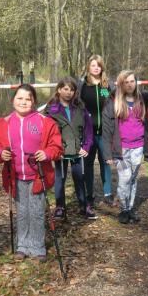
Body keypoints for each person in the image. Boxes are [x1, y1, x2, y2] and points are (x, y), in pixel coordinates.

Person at [0, 84, 63, 261]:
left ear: (34, 101)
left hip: (38, 176)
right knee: (22, 212)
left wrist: (46, 153)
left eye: (28, 99)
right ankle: (22, 245)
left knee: (37, 212)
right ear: (13, 100)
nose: (23, 102)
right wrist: (1, 154)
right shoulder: (4, 123)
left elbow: (56, 147)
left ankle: (38, 247)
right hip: (15, 177)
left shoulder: (45, 122)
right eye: (19, 98)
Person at [102, 70, 148, 224]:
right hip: (121, 148)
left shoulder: (142, 100)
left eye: (132, 81)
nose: (130, 84)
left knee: (133, 179)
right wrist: (108, 154)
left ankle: (130, 208)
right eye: (127, 82)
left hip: (138, 146)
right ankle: (123, 209)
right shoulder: (113, 101)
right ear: (121, 83)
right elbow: (106, 129)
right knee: (124, 179)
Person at [45, 77, 95, 220]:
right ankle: (60, 207)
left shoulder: (80, 108)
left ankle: (84, 205)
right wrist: (53, 149)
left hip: (77, 151)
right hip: (60, 152)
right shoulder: (51, 109)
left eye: (71, 90)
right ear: (59, 90)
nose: (68, 92)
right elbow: (46, 133)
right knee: (60, 178)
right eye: (65, 89)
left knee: (79, 177)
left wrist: (86, 146)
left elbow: (89, 130)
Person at [77, 55, 116, 206]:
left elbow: (113, 105)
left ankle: (107, 194)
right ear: (89, 67)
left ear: (102, 67)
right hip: (88, 133)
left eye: (98, 65)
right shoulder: (82, 86)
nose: (96, 68)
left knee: (106, 162)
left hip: (105, 132)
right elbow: (77, 107)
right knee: (87, 164)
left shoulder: (107, 86)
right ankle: (89, 194)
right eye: (93, 65)